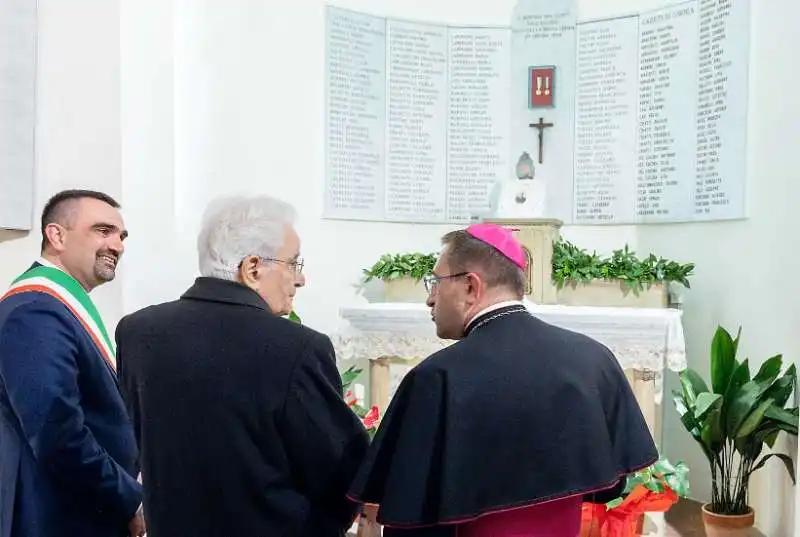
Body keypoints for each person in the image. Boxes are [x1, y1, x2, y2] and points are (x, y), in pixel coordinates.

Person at [347, 224, 659, 537]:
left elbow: (413, 521)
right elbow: (607, 485)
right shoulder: (593, 358)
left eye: (435, 282)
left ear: (471, 286)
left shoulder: (437, 378)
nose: (430, 299)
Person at [115, 195, 370, 537]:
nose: (301, 278)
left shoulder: (136, 331)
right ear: (252, 268)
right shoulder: (297, 347)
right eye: (294, 263)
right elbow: (341, 469)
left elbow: (136, 440)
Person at [0, 189, 144, 537]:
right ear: (57, 235)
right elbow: (57, 432)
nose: (118, 245)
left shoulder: (59, 308)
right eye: (103, 230)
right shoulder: (34, 310)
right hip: (54, 516)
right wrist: (129, 498)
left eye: (121, 236)